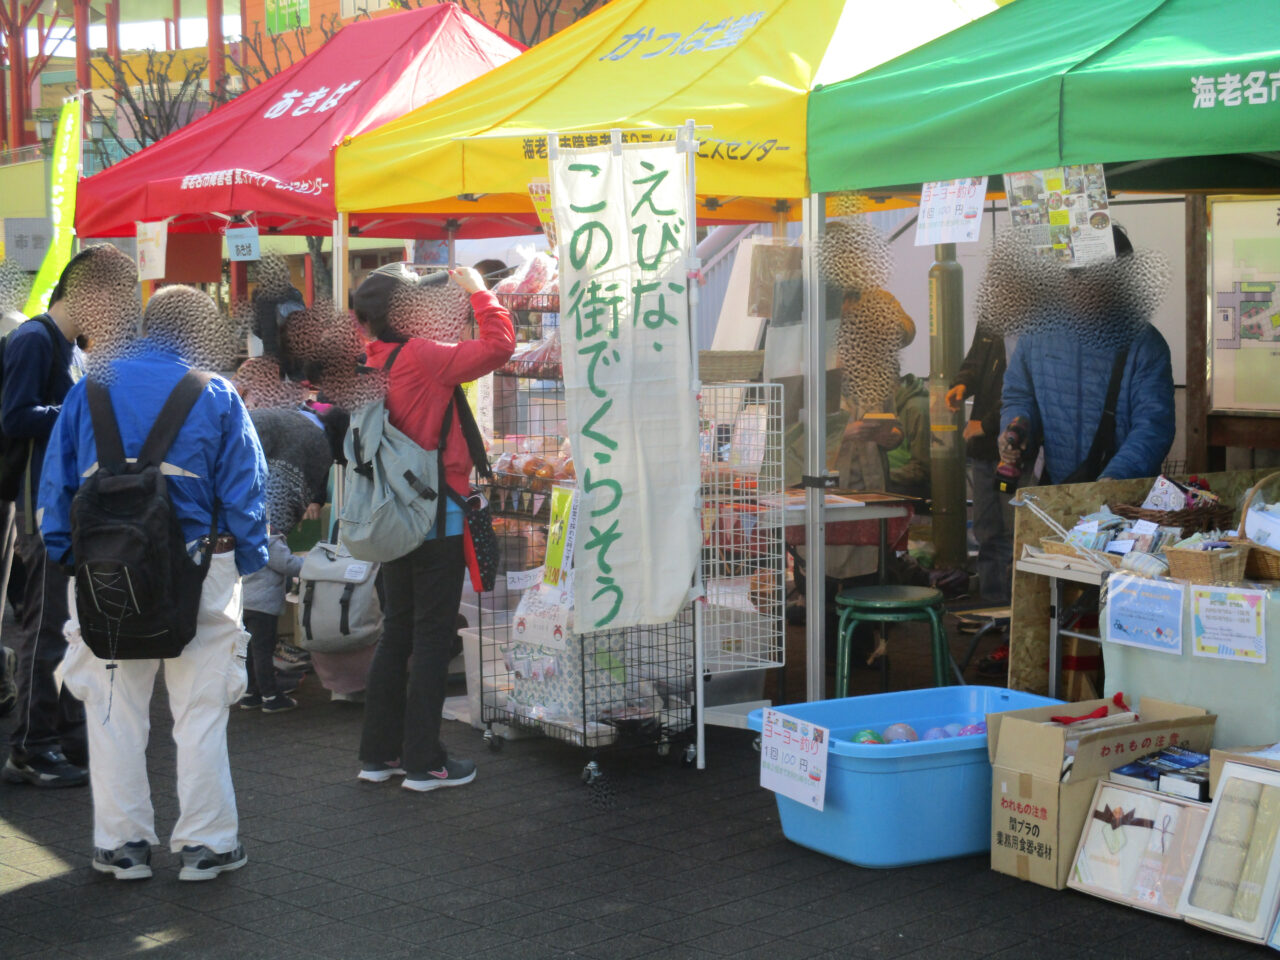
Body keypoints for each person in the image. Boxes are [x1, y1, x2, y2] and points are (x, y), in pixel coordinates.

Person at [41, 262, 268, 881]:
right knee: (200, 709)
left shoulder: (87, 389)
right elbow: (247, 489)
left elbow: (56, 486)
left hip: (104, 566)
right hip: (201, 566)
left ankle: (122, 846)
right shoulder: (216, 393)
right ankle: (207, 845)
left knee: (113, 708)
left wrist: (68, 556)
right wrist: (247, 561)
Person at [353, 264, 514, 792]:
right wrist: (478, 292)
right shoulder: (422, 357)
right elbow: (498, 346)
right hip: (436, 514)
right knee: (431, 635)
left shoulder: (371, 359)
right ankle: (425, 762)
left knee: (397, 629)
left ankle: (379, 755)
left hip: (391, 516)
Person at [998, 226, 1176, 486]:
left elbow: (1153, 426)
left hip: (1121, 497)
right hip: (1058, 488)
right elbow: (1019, 395)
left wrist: (1115, 478)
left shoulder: (1146, 346)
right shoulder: (1036, 334)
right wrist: (1016, 428)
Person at [1, 264, 87, 788]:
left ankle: (60, 735)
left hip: (55, 502)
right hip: (39, 504)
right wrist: (80, 407)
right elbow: (14, 416)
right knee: (47, 623)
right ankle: (32, 747)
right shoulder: (36, 339)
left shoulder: (69, 345)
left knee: (63, 625)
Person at [946, 330, 1014, 603]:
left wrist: (986, 424)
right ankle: (992, 609)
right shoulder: (990, 316)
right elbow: (974, 363)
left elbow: (1023, 389)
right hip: (986, 450)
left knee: (1012, 535)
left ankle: (1012, 616)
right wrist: (963, 384)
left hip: (1016, 451)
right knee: (987, 530)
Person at [886, 373, 930, 504]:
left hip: (909, 486)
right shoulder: (890, 406)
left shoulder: (916, 408)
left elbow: (922, 469)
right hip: (892, 477)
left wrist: (884, 474)